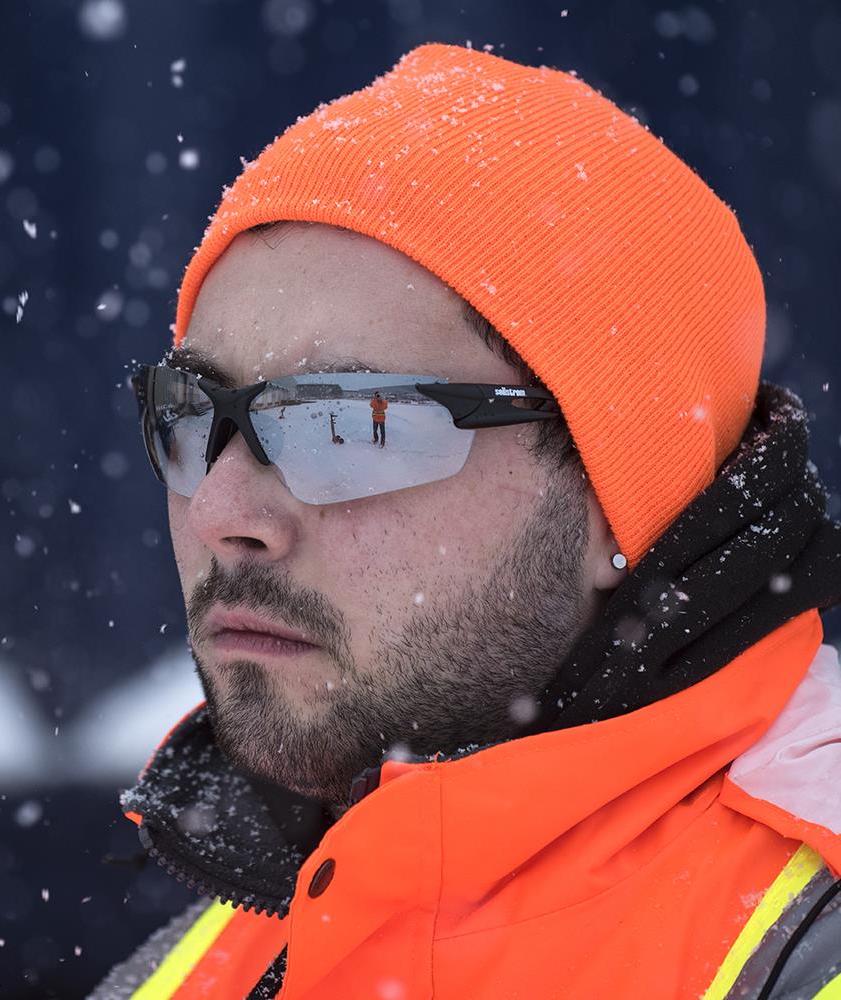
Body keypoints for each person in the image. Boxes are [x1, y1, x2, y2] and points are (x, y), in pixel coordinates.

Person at [91, 44, 841, 999]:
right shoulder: (200, 968)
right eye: (192, 414)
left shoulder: (806, 945)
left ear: (615, 492)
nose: (223, 512)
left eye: (349, 426)